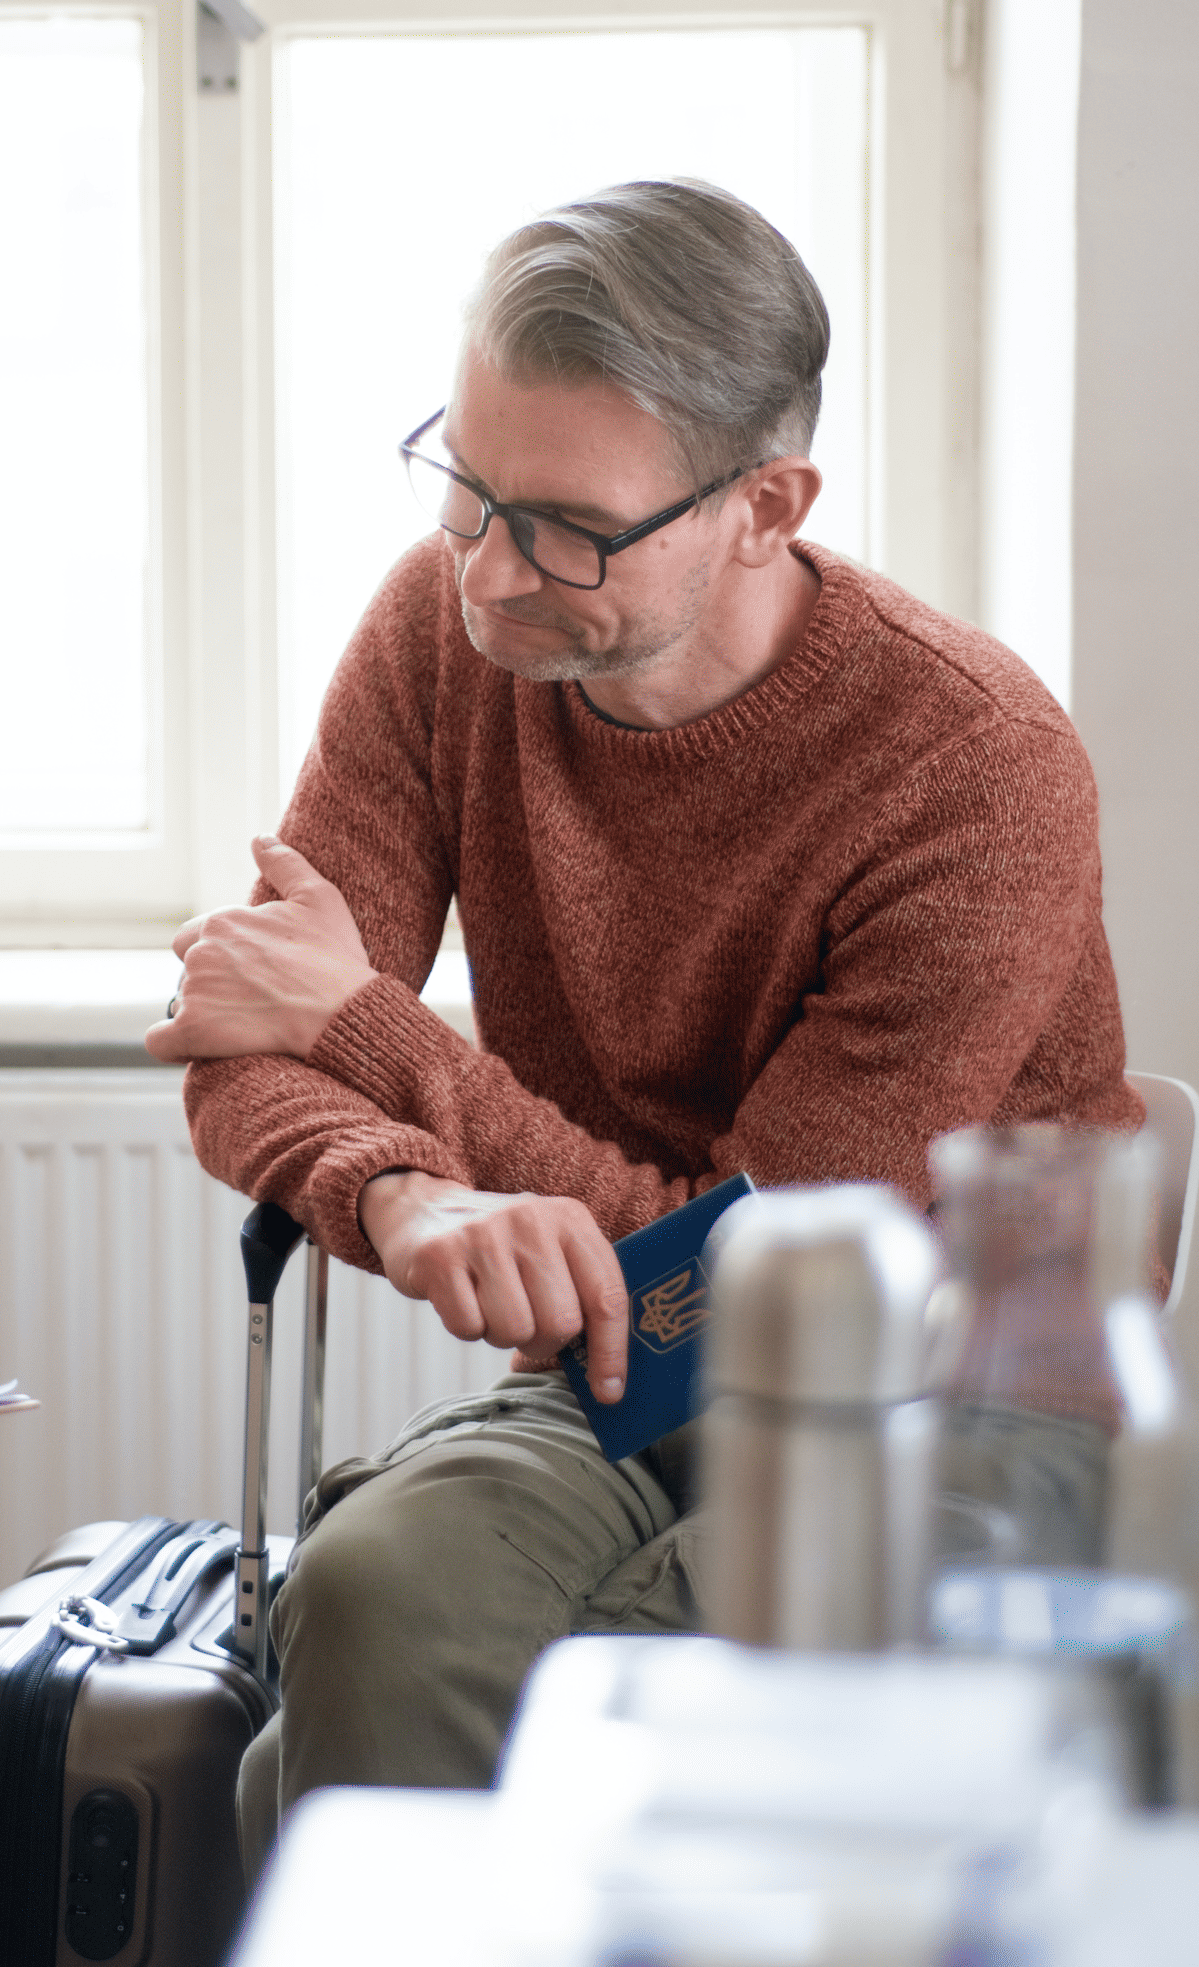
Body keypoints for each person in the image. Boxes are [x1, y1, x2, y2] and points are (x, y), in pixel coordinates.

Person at [143, 179, 1140, 1864]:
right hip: (613, 1376)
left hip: (938, 1388)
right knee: (381, 1600)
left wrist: (381, 1037)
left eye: (565, 526)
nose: (486, 566)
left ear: (765, 503)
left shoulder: (974, 762)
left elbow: (761, 1292)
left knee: (639, 1698)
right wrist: (408, 1193)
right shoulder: (441, 629)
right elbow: (247, 1030)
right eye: (463, 481)